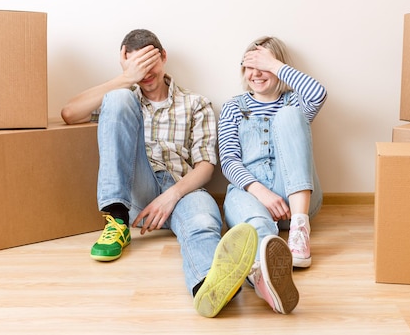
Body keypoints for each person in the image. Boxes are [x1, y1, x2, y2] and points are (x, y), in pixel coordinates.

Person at [60, 29, 257, 318]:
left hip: (181, 188)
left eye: (150, 63)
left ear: (163, 57)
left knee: (203, 219)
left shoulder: (196, 103)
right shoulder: (123, 100)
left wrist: (171, 196)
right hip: (136, 187)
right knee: (117, 99)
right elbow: (69, 113)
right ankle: (116, 221)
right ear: (125, 63)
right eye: (137, 66)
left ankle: (210, 285)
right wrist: (125, 79)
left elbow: (205, 165)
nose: (145, 73)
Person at [218, 36, 327, 314]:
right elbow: (229, 161)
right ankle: (264, 278)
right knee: (256, 225)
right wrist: (260, 192)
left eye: (263, 65)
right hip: (251, 192)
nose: (255, 73)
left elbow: (318, 93)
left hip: (295, 194)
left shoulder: (294, 102)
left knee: (290, 116)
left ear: (278, 66)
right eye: (249, 66)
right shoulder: (234, 107)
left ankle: (299, 231)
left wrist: (275, 65)